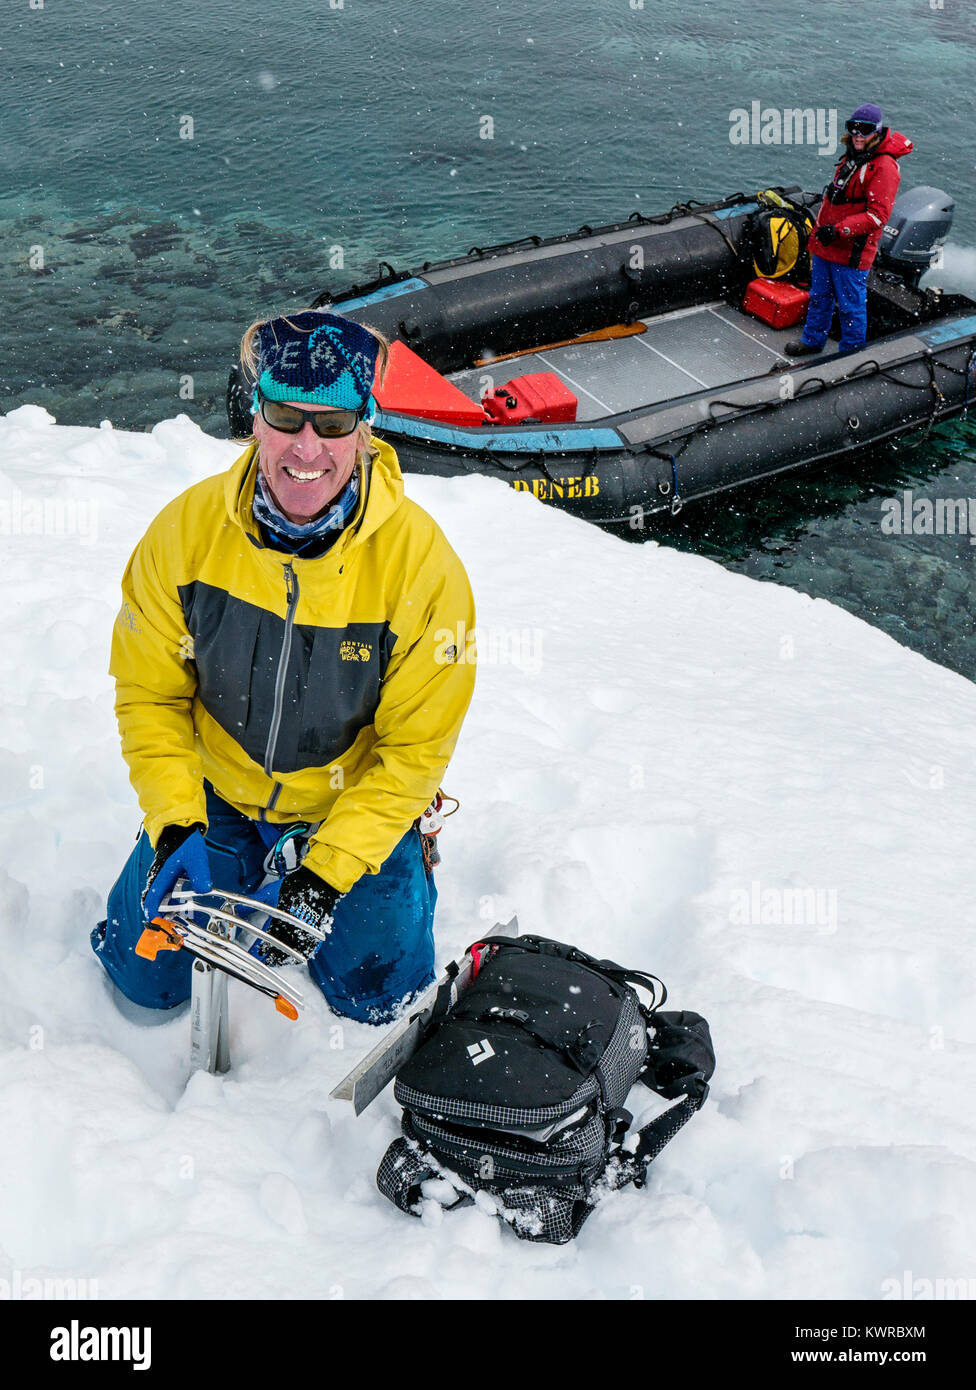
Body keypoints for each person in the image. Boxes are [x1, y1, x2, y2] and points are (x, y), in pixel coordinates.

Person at [91, 310, 477, 1024]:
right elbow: (150, 698)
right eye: (285, 415)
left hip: (347, 806)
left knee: (380, 997)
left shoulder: (423, 567)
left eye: (332, 424)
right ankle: (186, 849)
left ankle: (395, 868)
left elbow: (413, 753)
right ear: (255, 416)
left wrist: (327, 875)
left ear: (365, 428)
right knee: (142, 982)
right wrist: (176, 825)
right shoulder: (183, 533)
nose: (308, 446)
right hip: (218, 795)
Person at [786, 103, 912, 358]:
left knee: (850, 307)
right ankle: (812, 340)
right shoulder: (854, 157)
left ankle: (850, 356)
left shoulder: (884, 167)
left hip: (851, 250)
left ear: (876, 132)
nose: (857, 134)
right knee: (820, 297)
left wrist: (838, 230)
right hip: (827, 244)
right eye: (853, 128)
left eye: (864, 129)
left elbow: (878, 216)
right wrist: (826, 232)